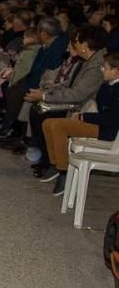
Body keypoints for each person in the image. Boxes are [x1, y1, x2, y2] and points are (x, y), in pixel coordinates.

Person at [40, 52, 119, 195]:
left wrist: (84, 117)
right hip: (99, 123)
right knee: (47, 123)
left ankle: (63, 172)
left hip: (108, 130)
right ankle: (55, 163)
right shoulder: (107, 86)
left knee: (58, 126)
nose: (102, 70)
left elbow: (112, 118)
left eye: (105, 68)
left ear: (116, 71)